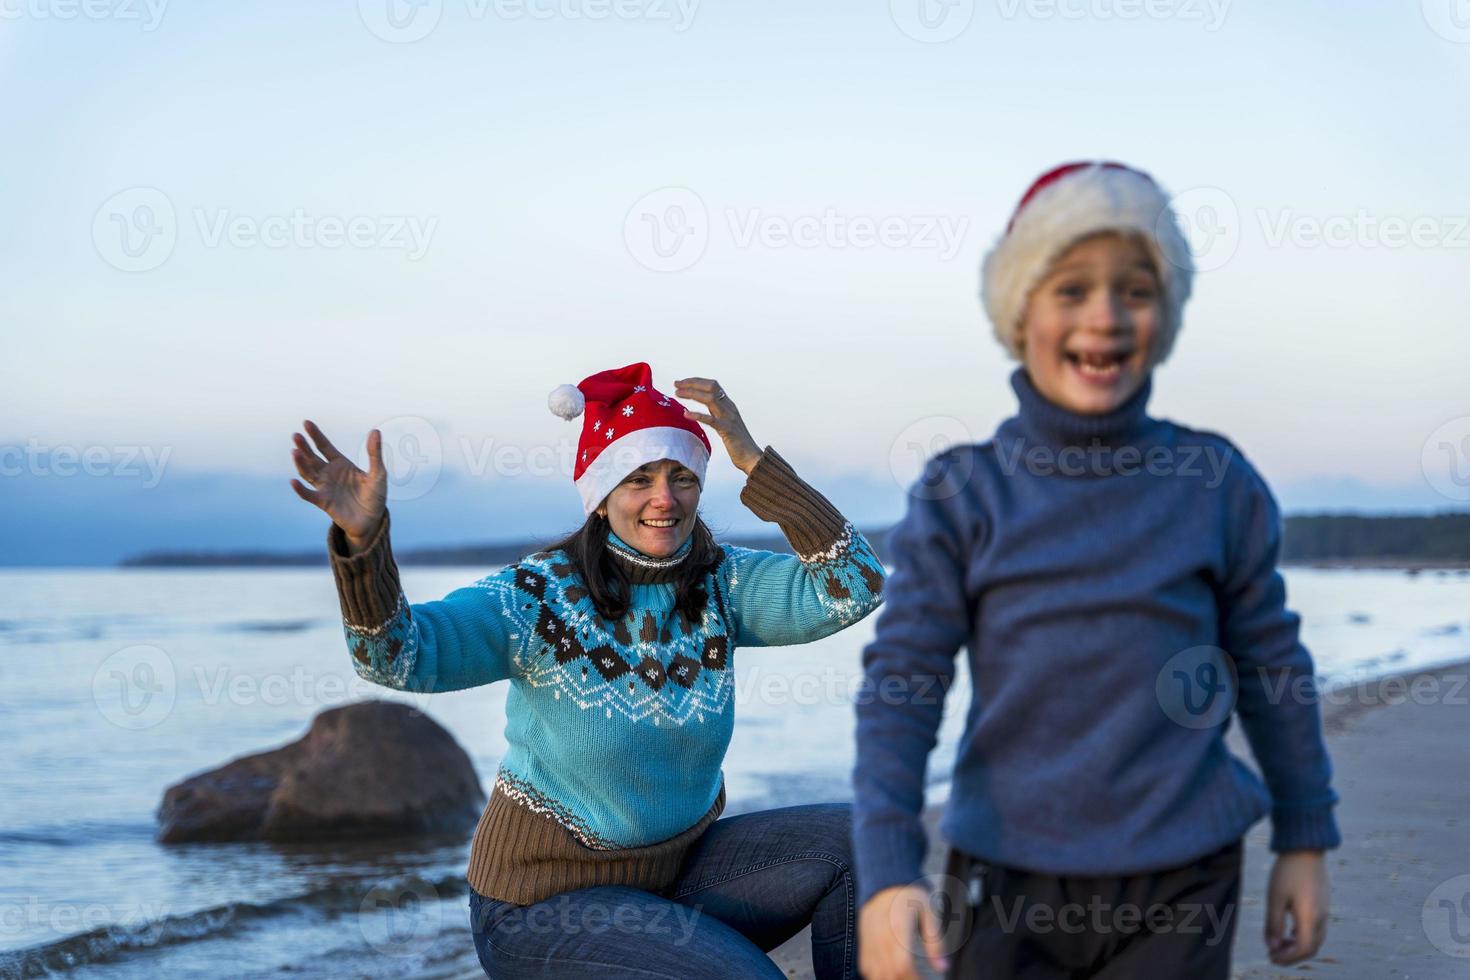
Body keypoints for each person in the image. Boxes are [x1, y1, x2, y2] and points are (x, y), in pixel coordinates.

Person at [852, 162, 1341, 979]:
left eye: (1137, 290)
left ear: (1168, 311)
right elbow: (904, 682)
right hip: (1005, 873)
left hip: (1183, 873)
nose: (1106, 317)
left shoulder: (1213, 482)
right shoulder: (964, 492)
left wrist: (1305, 833)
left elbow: (1271, 664)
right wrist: (886, 871)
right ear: (1019, 312)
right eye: (1071, 290)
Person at [289, 362, 885, 979]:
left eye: (682, 476)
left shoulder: (722, 584)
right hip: (543, 905)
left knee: (863, 848)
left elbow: (857, 585)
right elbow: (396, 656)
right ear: (600, 498)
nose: (665, 498)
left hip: (678, 877)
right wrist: (363, 543)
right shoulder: (537, 597)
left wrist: (755, 464)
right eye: (639, 478)